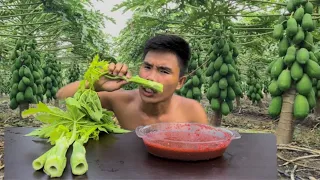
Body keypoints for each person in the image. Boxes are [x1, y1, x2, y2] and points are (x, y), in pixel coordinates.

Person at [56, 34, 209, 130]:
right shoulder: (121, 101)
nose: (150, 78)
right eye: (147, 67)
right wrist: (95, 84)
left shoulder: (193, 111)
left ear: (180, 82)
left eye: (164, 71)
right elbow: (63, 96)